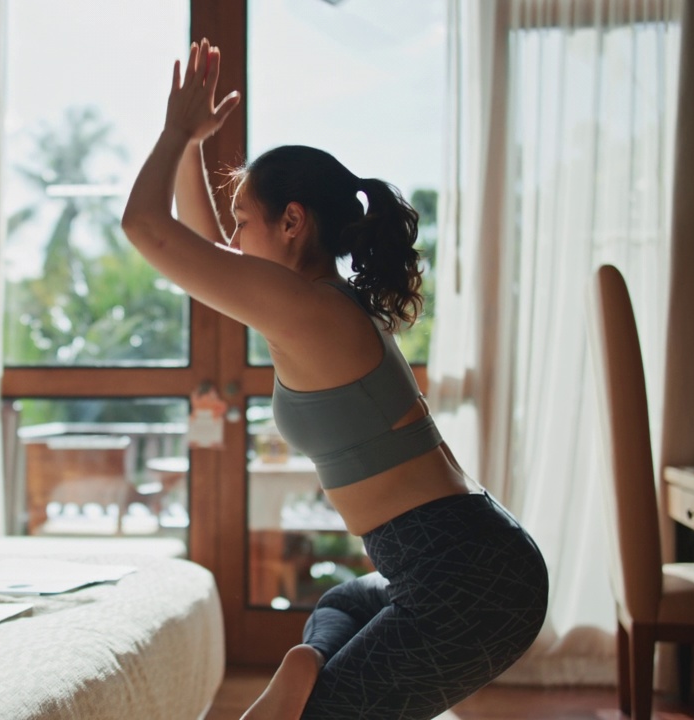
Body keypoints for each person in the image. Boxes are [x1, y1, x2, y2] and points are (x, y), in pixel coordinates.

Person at [121, 39, 548, 720]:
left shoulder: (310, 311)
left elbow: (145, 227)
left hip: (467, 579)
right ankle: (311, 665)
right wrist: (197, 146)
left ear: (293, 222)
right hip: (459, 556)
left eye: (244, 222)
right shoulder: (315, 306)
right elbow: (205, 258)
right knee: (345, 601)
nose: (232, 243)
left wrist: (175, 132)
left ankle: (305, 696)